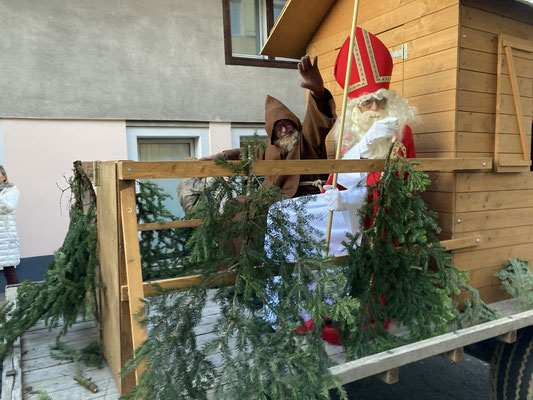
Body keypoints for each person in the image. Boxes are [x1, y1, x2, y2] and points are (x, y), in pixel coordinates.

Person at [265, 27, 419, 343]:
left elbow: (397, 189)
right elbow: (342, 176)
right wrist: (360, 153)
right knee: (284, 215)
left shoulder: (401, 133)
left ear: (389, 101)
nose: (374, 109)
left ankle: (341, 307)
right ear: (356, 107)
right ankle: (301, 307)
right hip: (352, 208)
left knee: (333, 236)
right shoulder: (354, 134)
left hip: (379, 216)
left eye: (379, 101)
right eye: (366, 103)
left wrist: (350, 201)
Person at [201, 55, 337, 198]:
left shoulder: (307, 138)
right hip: (270, 199)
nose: (284, 130)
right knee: (236, 204)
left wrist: (318, 93)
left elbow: (315, 120)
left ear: (293, 122)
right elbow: (244, 153)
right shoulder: (268, 147)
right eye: (278, 127)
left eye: (286, 124)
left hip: (303, 198)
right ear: (272, 132)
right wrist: (219, 157)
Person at [0, 165, 20, 286]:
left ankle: (16, 296)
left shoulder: (12, 190)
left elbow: (9, 207)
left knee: (9, 270)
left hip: (5, 236)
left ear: (4, 176)